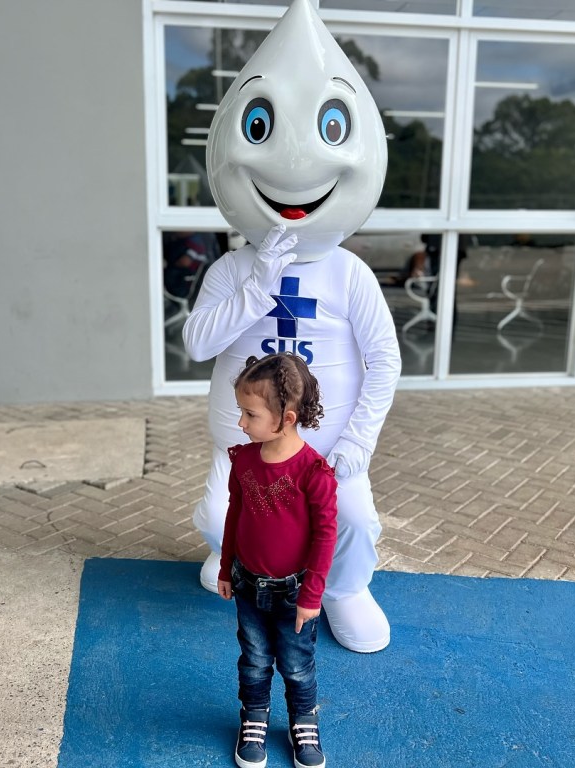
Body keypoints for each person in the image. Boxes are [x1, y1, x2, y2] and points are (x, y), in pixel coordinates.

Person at [185, 0, 401, 656]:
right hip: (247, 453)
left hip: (327, 455)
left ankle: (342, 588)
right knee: (218, 513)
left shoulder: (349, 274)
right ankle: (240, 558)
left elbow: (385, 359)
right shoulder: (230, 269)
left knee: (352, 517)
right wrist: (255, 286)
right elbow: (199, 343)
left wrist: (358, 440)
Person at [218, 353, 337, 768]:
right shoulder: (244, 460)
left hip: (295, 594)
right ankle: (254, 717)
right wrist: (225, 567)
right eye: (241, 411)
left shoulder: (314, 472)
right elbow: (235, 514)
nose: (241, 422)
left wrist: (312, 595)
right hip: (248, 584)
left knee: (297, 664)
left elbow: (325, 536)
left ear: (286, 418)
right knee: (253, 660)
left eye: (250, 414)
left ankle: (303, 720)